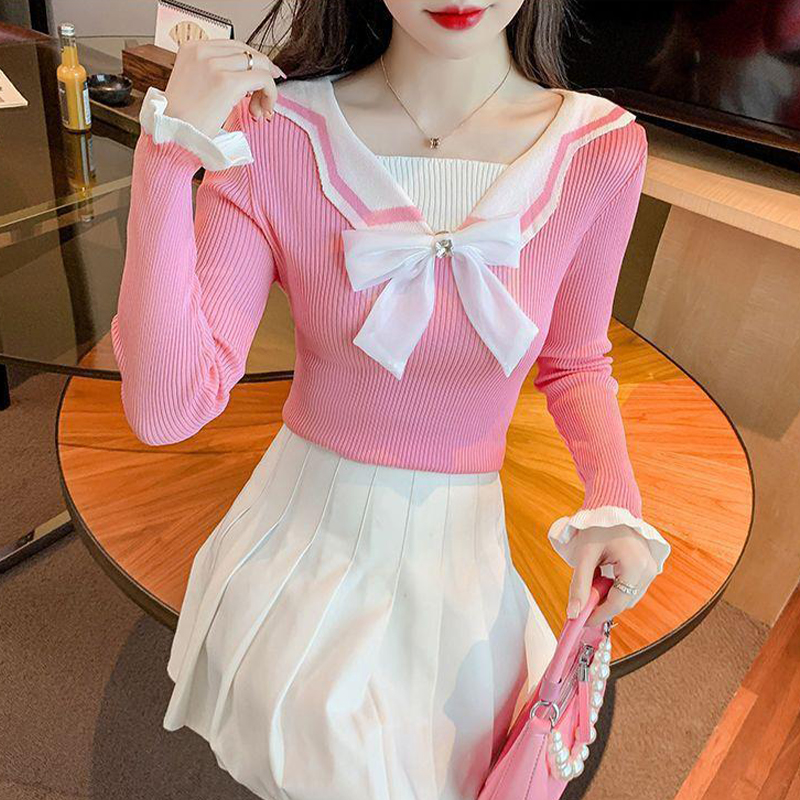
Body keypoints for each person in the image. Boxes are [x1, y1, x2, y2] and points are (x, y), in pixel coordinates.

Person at [110, 1, 672, 798]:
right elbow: (167, 408)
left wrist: (615, 502)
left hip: (463, 556)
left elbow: (575, 360)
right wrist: (168, 154)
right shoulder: (277, 130)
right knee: (318, 752)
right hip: (306, 544)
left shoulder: (601, 149)